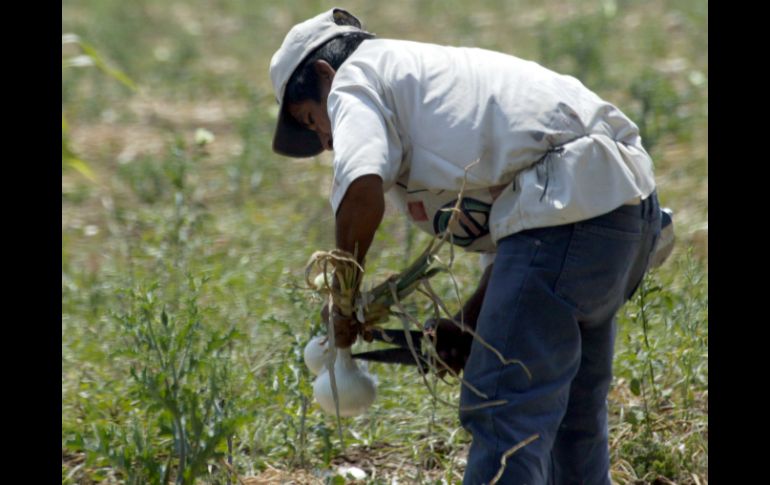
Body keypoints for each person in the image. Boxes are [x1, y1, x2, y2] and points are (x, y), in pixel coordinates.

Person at [269, 8, 672, 484]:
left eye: (311, 119)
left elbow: (360, 190)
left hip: (569, 213)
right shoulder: (423, 80)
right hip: (621, 219)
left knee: (502, 410)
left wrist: (344, 301)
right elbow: (520, 233)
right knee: (572, 420)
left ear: (323, 74)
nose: (325, 138)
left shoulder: (354, 81)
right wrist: (472, 320)